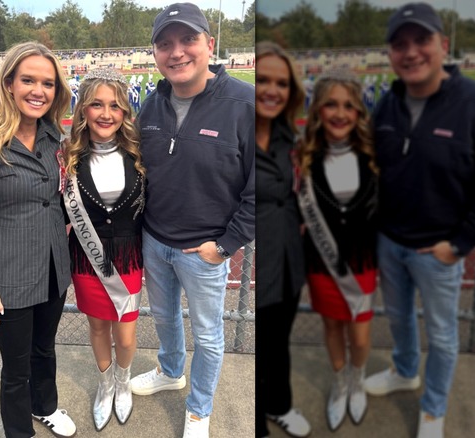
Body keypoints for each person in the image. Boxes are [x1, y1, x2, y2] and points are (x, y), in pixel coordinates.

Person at [129, 3, 255, 437]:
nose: (177, 52)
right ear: (156, 54)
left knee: (208, 336)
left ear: (209, 44)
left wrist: (224, 245)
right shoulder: (151, 105)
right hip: (155, 242)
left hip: (204, 251)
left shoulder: (245, 103)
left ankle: (199, 409)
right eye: (165, 44)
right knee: (164, 320)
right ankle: (170, 371)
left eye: (188, 40)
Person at [365, 4, 475, 438]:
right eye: (401, 44)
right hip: (390, 242)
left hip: (439, 250)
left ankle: (433, 409)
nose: (411, 52)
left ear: (443, 45)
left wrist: (459, 243)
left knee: (442, 334)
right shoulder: (388, 104)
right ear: (392, 54)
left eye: (421, 41)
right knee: (398, 319)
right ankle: (404, 371)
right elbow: (370, 170)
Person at [0, 41, 76, 438]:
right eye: (28, 80)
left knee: (45, 348)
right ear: (9, 82)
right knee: (16, 366)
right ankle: (17, 431)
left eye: (47, 83)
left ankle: (45, 406)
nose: (38, 91)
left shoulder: (55, 137)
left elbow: (60, 198)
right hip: (8, 276)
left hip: (55, 268)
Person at [62, 68, 145, 431]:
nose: (106, 114)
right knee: (98, 329)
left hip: (128, 257)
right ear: (83, 110)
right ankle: (104, 385)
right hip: (86, 258)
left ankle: (123, 382)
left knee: (125, 334)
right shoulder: (67, 157)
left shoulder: (140, 152)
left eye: (114, 106)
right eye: (96, 104)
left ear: (125, 112)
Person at [297, 70, 379, 431]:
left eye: (348, 105)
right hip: (321, 263)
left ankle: (358, 378)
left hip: (361, 262)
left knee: (359, 334)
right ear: (318, 111)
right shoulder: (305, 158)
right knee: (332, 326)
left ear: (359, 112)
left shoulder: (374, 155)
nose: (340, 113)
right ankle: (340, 381)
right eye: (331, 104)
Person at [253, 41, 311, 438]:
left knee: (278, 341)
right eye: (262, 79)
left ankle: (279, 403)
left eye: (281, 82)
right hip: (254, 260)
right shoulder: (234, 133)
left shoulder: (296, 140)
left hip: (291, 260)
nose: (272, 89)